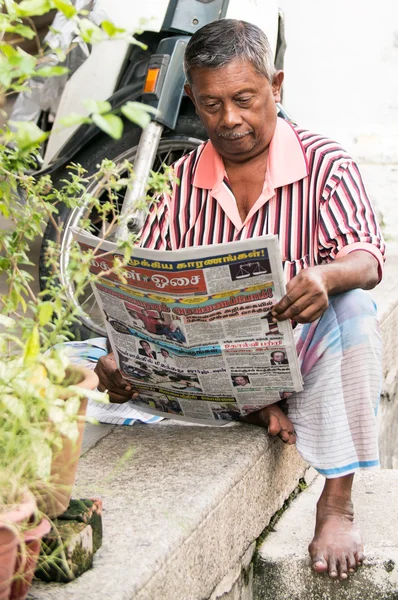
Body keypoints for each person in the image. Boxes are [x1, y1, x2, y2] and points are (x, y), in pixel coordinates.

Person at [94, 20, 385, 580]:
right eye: (210, 105)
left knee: (353, 311)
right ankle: (252, 410)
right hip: (216, 368)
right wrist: (121, 354)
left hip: (299, 359)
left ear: (277, 86)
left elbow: (369, 259)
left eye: (244, 100)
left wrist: (326, 276)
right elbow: (143, 288)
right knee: (94, 355)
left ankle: (337, 501)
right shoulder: (181, 178)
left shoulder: (327, 164)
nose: (228, 120)